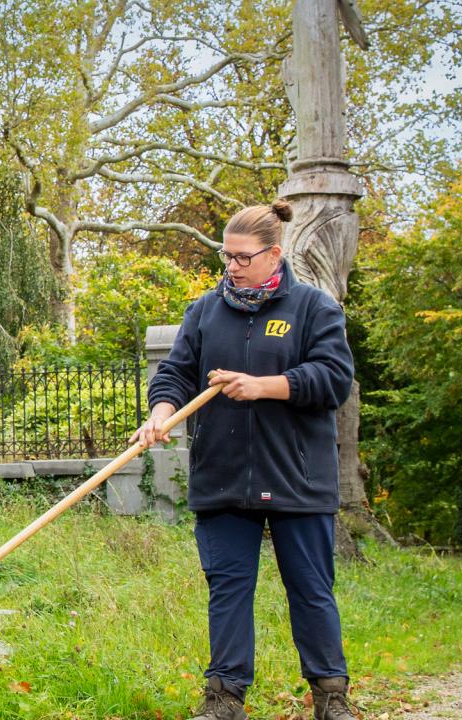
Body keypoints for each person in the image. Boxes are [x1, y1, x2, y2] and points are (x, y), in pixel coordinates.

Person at [134, 200, 357, 720]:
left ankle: (331, 697)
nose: (230, 267)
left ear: (273, 255)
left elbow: (332, 379)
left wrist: (264, 386)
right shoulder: (205, 312)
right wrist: (161, 414)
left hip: (298, 479)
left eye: (241, 257)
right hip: (224, 478)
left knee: (310, 590)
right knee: (228, 591)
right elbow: (174, 374)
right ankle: (224, 699)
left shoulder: (314, 309)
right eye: (225, 257)